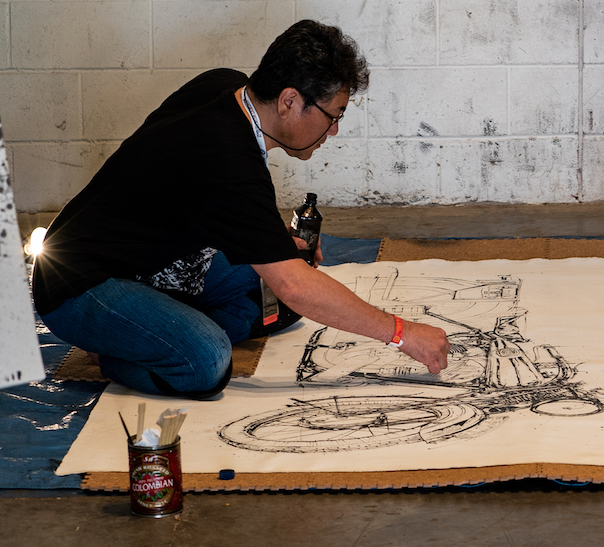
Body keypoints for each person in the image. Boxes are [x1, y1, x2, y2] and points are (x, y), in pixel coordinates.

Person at [31, 20, 450, 399]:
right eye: (333, 115)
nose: (335, 130)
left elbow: (197, 191)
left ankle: (162, 328)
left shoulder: (226, 85)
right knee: (207, 361)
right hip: (80, 285)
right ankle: (116, 351)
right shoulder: (229, 161)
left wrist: (270, 243)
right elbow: (295, 286)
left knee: (276, 295)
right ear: (289, 101)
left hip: (154, 259)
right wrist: (402, 333)